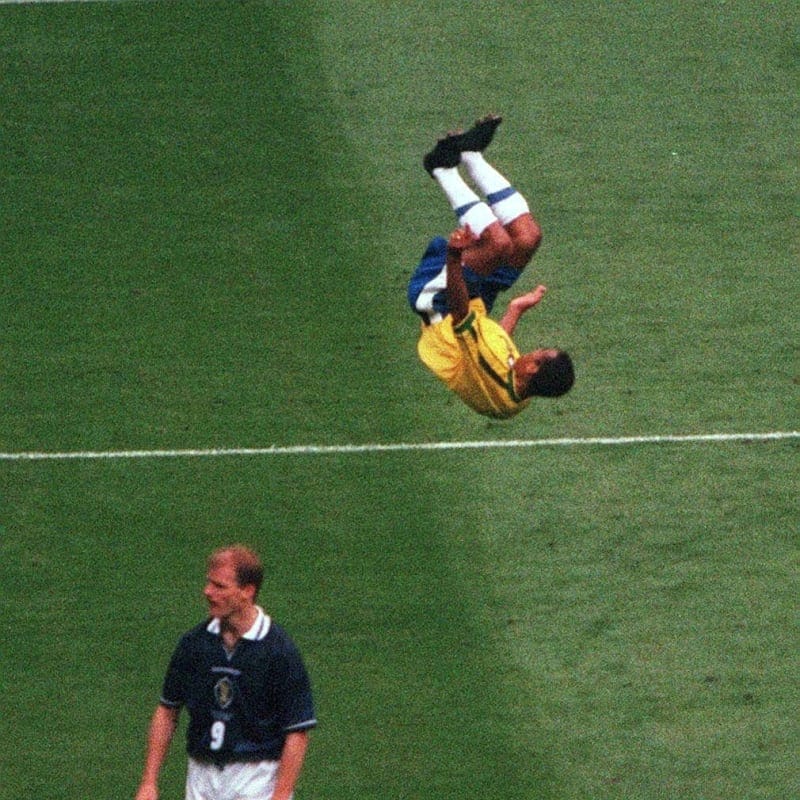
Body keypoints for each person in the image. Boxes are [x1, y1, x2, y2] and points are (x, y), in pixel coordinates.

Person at [408, 114, 574, 419]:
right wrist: (515, 309)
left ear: (532, 369)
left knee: (497, 244)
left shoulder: (495, 368)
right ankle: (471, 154)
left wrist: (455, 258)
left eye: (536, 355)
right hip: (476, 310)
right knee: (527, 238)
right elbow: (496, 346)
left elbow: (461, 317)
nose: (531, 352)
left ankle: (441, 168)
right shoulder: (520, 389)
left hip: (441, 306)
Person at [134, 545, 316, 800]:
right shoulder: (194, 644)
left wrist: (280, 796)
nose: (207, 592)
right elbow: (167, 710)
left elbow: (297, 732)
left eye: (219, 586)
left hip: (255, 781)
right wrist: (149, 782)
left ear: (247, 591)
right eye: (209, 583)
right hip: (202, 777)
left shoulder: (278, 651)